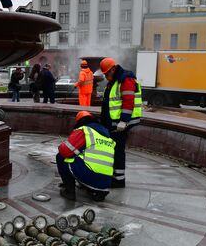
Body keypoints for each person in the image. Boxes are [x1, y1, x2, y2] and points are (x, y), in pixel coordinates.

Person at [99, 57, 142, 188]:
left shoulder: (125, 79)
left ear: (113, 69)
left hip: (120, 124)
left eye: (107, 73)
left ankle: (119, 179)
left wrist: (124, 121)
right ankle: (114, 176)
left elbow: (129, 102)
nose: (106, 76)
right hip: (113, 123)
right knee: (113, 150)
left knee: (118, 151)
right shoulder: (114, 81)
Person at [56, 111, 115, 201]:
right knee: (85, 158)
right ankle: (98, 191)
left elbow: (65, 151)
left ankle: (69, 191)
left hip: (90, 175)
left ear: (79, 121)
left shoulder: (85, 130)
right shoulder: (107, 137)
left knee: (61, 157)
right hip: (106, 182)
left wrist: (62, 145)